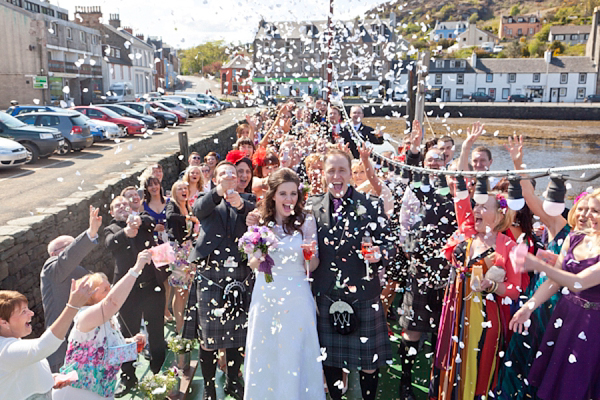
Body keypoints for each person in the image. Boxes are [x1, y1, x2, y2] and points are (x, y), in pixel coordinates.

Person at [308, 149, 394, 400]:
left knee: (369, 360)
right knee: (330, 358)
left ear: (350, 174)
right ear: (324, 174)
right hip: (326, 294)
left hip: (363, 292)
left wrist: (379, 254)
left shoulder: (371, 204)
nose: (337, 176)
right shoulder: (312, 206)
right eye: (331, 170)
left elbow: (389, 245)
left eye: (342, 170)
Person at [432, 189, 523, 400]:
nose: (476, 210)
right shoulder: (467, 234)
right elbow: (459, 197)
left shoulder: (510, 247)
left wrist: (491, 285)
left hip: (484, 320)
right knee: (449, 360)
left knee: (477, 366)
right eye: (476, 205)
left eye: (483, 206)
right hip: (453, 313)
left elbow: (514, 291)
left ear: (500, 215)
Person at [509, 189, 600, 400]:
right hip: (566, 316)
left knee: (579, 384)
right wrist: (528, 307)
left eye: (595, 210)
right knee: (555, 382)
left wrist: (537, 264)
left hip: (593, 325)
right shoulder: (575, 237)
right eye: (584, 209)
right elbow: (555, 280)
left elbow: (579, 282)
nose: (586, 215)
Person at [243, 168, 325, 400]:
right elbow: (252, 264)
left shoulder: (306, 221)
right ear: (273, 196)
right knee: (267, 349)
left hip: (297, 293)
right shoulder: (261, 222)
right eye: (283, 194)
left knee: (296, 349)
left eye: (293, 194)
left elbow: (314, 265)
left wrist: (310, 256)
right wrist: (260, 248)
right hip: (267, 291)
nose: (289, 199)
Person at [183, 161, 256, 400]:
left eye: (233, 173)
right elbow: (198, 210)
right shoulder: (207, 199)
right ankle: (210, 387)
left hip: (240, 274)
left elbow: (258, 221)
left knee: (237, 335)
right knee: (209, 337)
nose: (229, 176)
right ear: (214, 179)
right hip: (210, 273)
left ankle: (233, 382)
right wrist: (218, 192)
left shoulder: (249, 200)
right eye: (223, 173)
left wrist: (242, 205)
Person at [396, 121, 457, 400]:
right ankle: (406, 382)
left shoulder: (454, 188)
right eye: (430, 159)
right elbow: (404, 224)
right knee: (412, 329)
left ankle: (436, 383)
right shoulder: (416, 187)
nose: (435, 163)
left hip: (447, 271)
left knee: (440, 331)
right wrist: (411, 252)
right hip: (419, 268)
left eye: (440, 159)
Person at [53, 253, 151, 400]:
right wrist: (136, 269)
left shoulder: (110, 319)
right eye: (105, 290)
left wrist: (131, 342)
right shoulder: (84, 317)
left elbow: (104, 350)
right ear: (89, 297)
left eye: (109, 286)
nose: (110, 291)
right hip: (77, 392)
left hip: (103, 390)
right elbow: (112, 303)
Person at [104, 196, 168, 396]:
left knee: (156, 332)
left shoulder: (143, 219)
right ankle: (128, 377)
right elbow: (109, 243)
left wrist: (139, 221)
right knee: (127, 335)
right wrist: (126, 232)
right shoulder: (112, 230)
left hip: (151, 288)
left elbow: (150, 222)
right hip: (128, 293)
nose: (122, 207)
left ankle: (159, 370)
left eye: (125, 204)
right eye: (117, 206)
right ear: (112, 213)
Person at [0, 278, 94, 400]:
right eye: (24, 312)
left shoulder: (11, 342)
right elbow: (42, 347)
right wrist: (72, 306)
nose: (31, 313)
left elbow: (21, 371)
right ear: (4, 323)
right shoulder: (4, 350)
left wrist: (49, 379)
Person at [41, 205, 102, 373]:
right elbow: (67, 259)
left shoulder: (81, 271)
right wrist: (90, 233)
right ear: (54, 254)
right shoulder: (51, 268)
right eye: (68, 247)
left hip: (85, 343)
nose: (73, 250)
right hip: (62, 349)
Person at [166, 181, 198, 333]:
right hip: (178, 252)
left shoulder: (189, 207)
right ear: (174, 192)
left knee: (186, 290)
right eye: (180, 189)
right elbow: (170, 217)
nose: (183, 191)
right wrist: (188, 219)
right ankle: (179, 327)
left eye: (185, 188)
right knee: (179, 290)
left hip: (189, 251)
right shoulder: (173, 205)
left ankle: (185, 323)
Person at [142, 175, 169, 243]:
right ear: (147, 188)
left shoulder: (170, 202)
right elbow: (140, 226)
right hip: (152, 241)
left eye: (156, 184)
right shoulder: (142, 205)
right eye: (150, 185)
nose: (154, 187)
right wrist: (152, 228)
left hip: (169, 239)